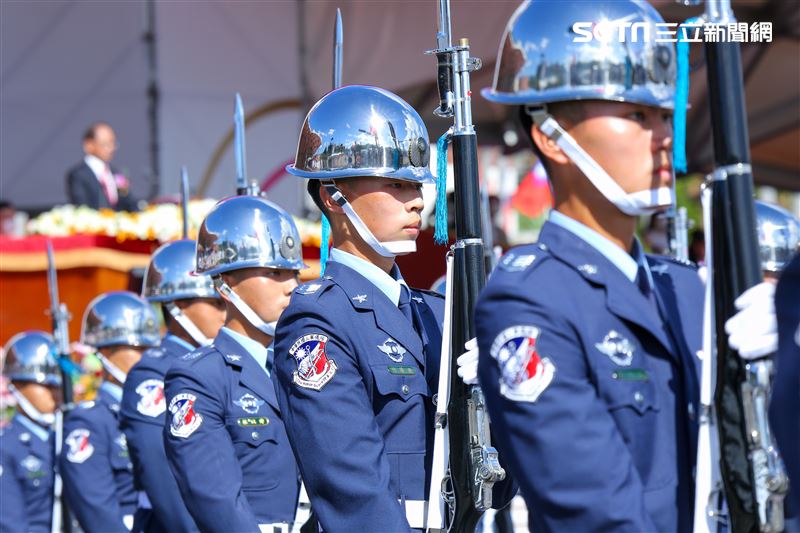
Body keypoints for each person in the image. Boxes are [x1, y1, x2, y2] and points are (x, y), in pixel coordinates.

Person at [475, 1, 705, 531]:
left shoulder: (687, 290)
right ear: (551, 137)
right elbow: (597, 513)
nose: (664, 134)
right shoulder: (529, 302)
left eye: (664, 115)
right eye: (636, 115)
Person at [274, 85, 513, 532]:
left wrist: (497, 404)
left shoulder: (437, 313)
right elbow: (353, 492)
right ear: (333, 196)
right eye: (396, 184)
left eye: (418, 185)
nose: (418, 201)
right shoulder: (319, 320)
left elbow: (497, 489)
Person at [163, 195, 305, 532]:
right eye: (274, 272)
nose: (292, 287)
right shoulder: (200, 377)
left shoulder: (301, 364)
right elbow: (215, 499)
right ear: (225, 284)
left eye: (294, 273)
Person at [120, 239, 225, 532]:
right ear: (178, 305)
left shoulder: (215, 363)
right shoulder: (154, 374)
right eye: (216, 303)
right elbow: (162, 474)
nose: (225, 312)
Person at [60, 291, 159, 532]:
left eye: (149, 347)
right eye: (137, 347)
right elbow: (97, 510)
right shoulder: (89, 421)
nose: (148, 356)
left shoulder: (155, 411)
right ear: (104, 352)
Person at [0, 331, 63, 533]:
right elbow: (11, 525)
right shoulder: (6, 447)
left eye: (59, 385)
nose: (56, 393)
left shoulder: (63, 437)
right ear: (17, 385)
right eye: (46, 385)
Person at [66, 122, 139, 211]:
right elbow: (82, 208)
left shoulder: (115, 173)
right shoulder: (78, 175)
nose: (111, 148)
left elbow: (128, 201)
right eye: (105, 144)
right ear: (89, 145)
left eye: (113, 143)